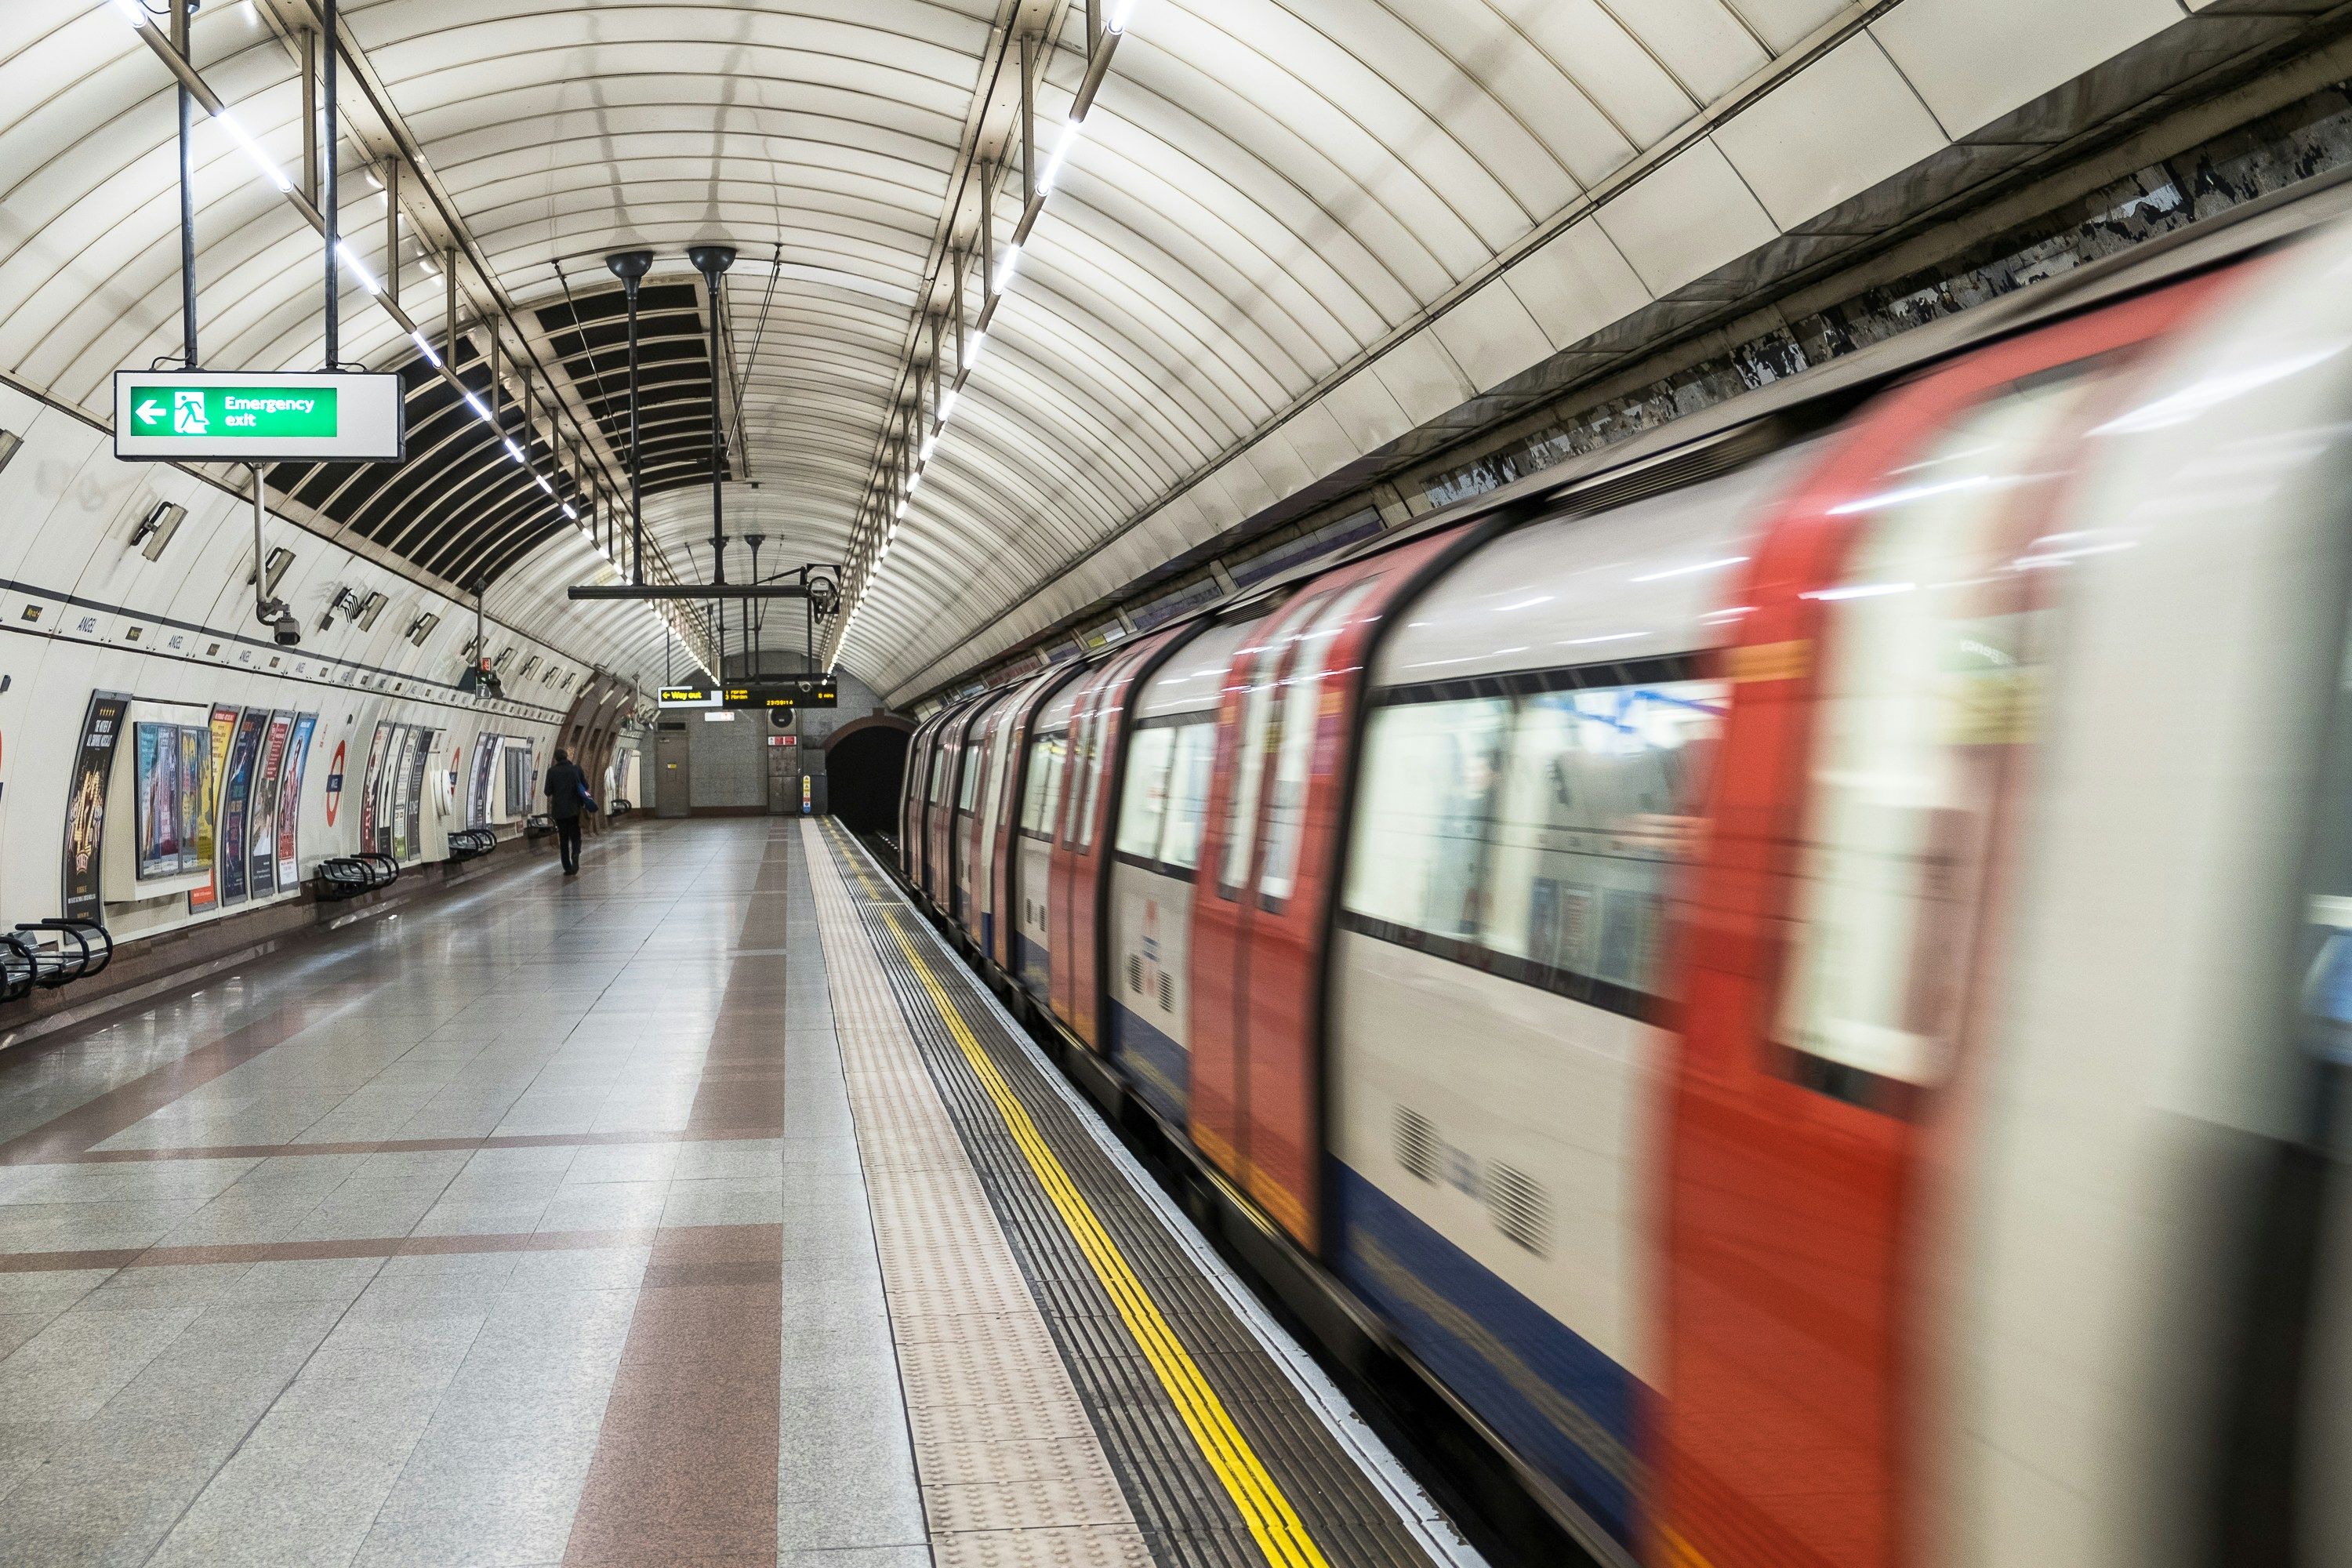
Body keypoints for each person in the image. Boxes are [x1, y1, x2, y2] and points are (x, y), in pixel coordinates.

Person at [544, 747, 595, 875]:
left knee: (563, 839)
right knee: (575, 835)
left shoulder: (552, 772)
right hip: (574, 809)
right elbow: (585, 786)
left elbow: (547, 791)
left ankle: (567, 867)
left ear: (556, 758)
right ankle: (576, 853)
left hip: (559, 811)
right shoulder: (575, 770)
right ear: (567, 756)